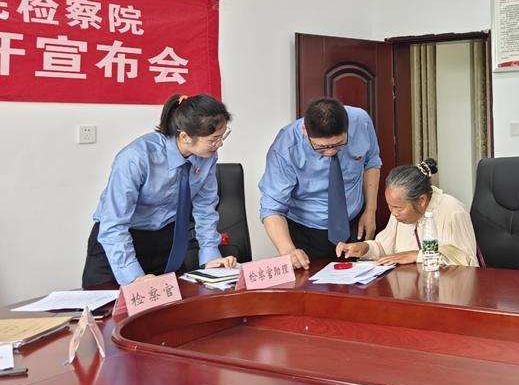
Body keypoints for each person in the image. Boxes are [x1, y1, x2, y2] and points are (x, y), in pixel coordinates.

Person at [82, 94, 237, 287]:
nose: (220, 144)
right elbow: (114, 223)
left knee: (171, 303)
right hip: (119, 245)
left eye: (222, 136)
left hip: (166, 242)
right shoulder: (136, 158)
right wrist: (133, 276)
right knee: (111, 305)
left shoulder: (207, 157)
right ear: (185, 137)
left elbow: (205, 208)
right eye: (213, 139)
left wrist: (210, 257)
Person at [259, 97, 381, 269]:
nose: (330, 152)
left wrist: (370, 210)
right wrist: (288, 250)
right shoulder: (285, 147)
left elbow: (372, 162)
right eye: (321, 147)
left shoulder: (361, 121)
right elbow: (272, 207)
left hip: (353, 223)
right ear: (305, 131)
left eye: (338, 144)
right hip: (306, 230)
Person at [336, 158, 478, 267]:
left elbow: (467, 261)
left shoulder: (452, 210)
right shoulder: (397, 213)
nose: (393, 213)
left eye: (398, 208)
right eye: (390, 206)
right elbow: (384, 248)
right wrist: (364, 248)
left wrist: (417, 255)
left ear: (421, 200)